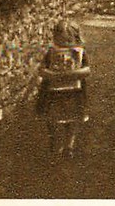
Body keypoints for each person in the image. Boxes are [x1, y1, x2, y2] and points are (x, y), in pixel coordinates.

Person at [36, 19, 90, 157]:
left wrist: (73, 73)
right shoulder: (51, 52)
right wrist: (51, 75)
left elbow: (87, 70)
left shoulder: (80, 52)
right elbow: (42, 70)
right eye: (60, 40)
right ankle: (55, 141)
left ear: (76, 38)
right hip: (53, 92)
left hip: (73, 92)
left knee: (72, 119)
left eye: (68, 41)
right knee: (52, 119)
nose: (64, 44)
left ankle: (68, 145)